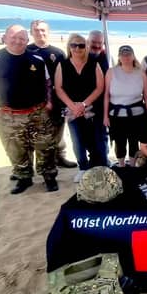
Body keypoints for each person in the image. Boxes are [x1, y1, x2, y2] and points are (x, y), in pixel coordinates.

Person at [0, 24, 59, 194]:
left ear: (27, 40)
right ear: (5, 37)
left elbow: (48, 83)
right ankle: (24, 178)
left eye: (22, 38)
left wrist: (49, 102)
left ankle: (49, 177)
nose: (18, 41)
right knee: (16, 149)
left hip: (38, 113)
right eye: (14, 37)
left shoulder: (37, 60)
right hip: (10, 115)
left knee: (45, 147)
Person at [55, 33, 107, 182]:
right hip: (71, 110)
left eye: (81, 45)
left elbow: (100, 87)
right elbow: (58, 88)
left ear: (86, 47)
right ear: (69, 47)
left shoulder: (93, 63)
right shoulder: (62, 65)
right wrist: (73, 106)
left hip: (92, 108)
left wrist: (84, 104)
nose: (77, 48)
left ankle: (96, 166)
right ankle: (83, 168)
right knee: (77, 140)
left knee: (94, 140)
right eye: (74, 45)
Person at [27, 19, 77, 169]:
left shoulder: (58, 53)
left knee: (58, 130)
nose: (40, 33)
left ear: (48, 32)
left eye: (43, 30)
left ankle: (60, 157)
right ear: (31, 33)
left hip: (56, 99)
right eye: (36, 30)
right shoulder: (26, 51)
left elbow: (67, 77)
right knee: (35, 134)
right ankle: (37, 164)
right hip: (33, 100)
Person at [103, 45, 147, 167]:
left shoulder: (141, 73)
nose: (126, 57)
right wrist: (105, 116)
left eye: (128, 54)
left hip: (137, 114)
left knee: (134, 141)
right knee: (119, 141)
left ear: (133, 56)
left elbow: (146, 95)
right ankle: (122, 165)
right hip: (116, 114)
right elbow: (106, 94)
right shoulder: (111, 72)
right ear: (119, 57)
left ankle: (133, 165)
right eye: (123, 55)